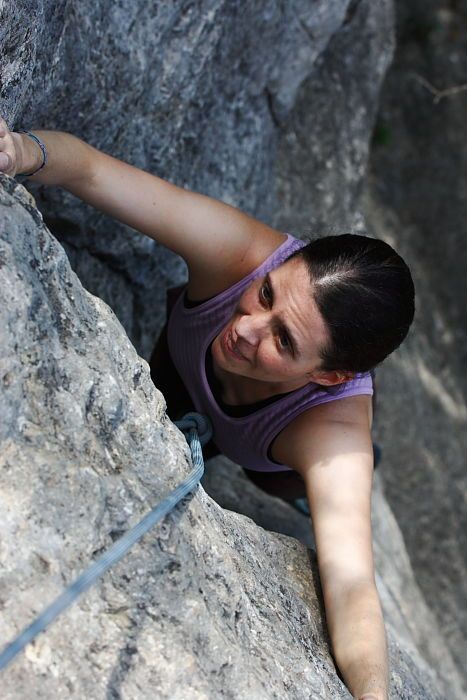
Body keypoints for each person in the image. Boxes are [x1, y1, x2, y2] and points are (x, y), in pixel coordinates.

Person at [0, 117, 415, 700]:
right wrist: (19, 150)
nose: (246, 328)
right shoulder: (238, 252)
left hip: (272, 455)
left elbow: (351, 584)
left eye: (284, 342)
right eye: (268, 293)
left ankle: (341, 469)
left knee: (297, 485)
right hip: (177, 374)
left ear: (329, 376)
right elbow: (90, 170)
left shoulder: (330, 430)